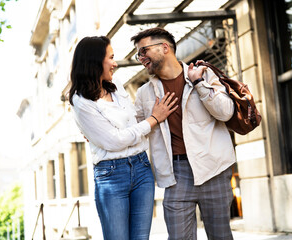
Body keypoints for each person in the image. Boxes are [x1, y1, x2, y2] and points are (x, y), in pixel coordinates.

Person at [68, 36, 178, 240]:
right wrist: (154, 119)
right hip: (111, 175)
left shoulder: (114, 84)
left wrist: (139, 125)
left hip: (141, 168)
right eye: (110, 57)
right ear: (94, 62)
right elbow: (114, 141)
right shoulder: (80, 101)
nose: (115, 63)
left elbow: (132, 121)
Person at [131, 28, 236, 240]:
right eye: (138, 55)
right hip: (175, 173)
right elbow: (135, 131)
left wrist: (199, 84)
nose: (141, 59)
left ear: (164, 47)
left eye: (144, 51)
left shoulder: (204, 74)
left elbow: (226, 112)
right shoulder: (144, 93)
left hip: (213, 166)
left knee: (221, 236)